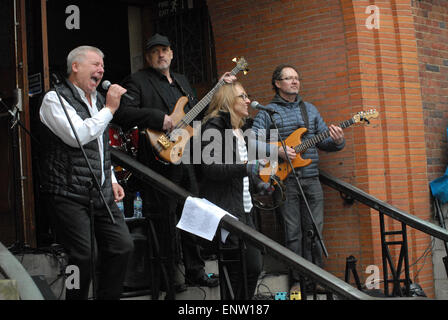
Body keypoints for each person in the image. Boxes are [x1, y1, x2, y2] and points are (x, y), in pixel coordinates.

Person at [113, 33, 235, 289]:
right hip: (158, 162)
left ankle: (195, 270)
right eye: (155, 51)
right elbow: (122, 113)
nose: (161, 55)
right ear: (148, 57)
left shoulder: (181, 82)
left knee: (192, 213)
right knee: (164, 219)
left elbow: (195, 113)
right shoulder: (138, 81)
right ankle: (169, 276)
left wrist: (218, 87)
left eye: (164, 50)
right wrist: (159, 118)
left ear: (172, 54)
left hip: (187, 159)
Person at [39, 45, 134, 300]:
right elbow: (79, 136)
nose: (101, 70)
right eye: (95, 64)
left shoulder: (99, 102)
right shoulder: (54, 99)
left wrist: (111, 178)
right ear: (75, 67)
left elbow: (101, 146)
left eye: (102, 66)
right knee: (83, 256)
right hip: (67, 192)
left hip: (99, 190)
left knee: (122, 246)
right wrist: (110, 110)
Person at [252, 64, 345, 294]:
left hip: (311, 179)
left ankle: (316, 278)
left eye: (297, 78)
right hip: (285, 181)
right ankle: (297, 281)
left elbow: (324, 142)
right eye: (289, 78)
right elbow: (252, 143)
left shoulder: (310, 110)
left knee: (314, 230)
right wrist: (278, 152)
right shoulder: (267, 112)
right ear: (277, 83)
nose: (295, 82)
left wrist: (337, 140)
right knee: (292, 232)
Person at [200, 82, 264, 299]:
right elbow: (211, 169)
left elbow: (248, 169)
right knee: (234, 271)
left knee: (253, 267)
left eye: (247, 95)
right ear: (228, 100)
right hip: (227, 210)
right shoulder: (213, 128)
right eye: (242, 96)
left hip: (246, 209)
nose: (248, 100)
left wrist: (260, 183)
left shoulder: (244, 129)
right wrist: (245, 167)